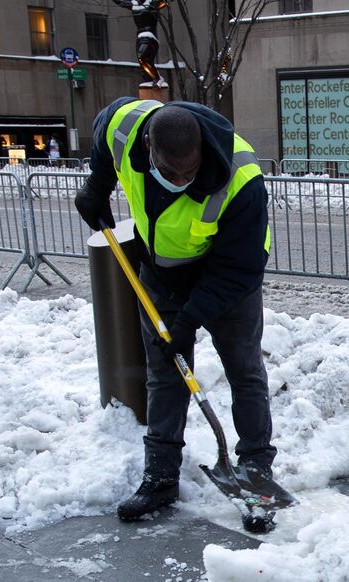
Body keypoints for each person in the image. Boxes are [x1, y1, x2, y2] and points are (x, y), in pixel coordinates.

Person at [74, 98, 273, 529]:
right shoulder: (127, 127)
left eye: (190, 171)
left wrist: (188, 322)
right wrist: (97, 184)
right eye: (171, 172)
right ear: (149, 148)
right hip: (160, 273)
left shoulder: (242, 181)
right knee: (164, 372)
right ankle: (160, 476)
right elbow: (104, 126)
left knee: (244, 369)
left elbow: (240, 267)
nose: (182, 179)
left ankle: (257, 471)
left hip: (227, 279)